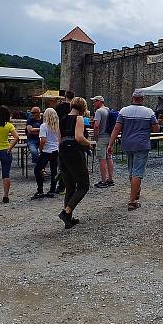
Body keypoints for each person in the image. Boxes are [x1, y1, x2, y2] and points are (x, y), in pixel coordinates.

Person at [107, 90, 160, 211]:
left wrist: (110, 144)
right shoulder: (149, 112)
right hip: (142, 145)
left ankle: (135, 192)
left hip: (127, 144)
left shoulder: (124, 111)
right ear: (143, 99)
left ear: (132, 98)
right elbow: (156, 128)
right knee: (137, 172)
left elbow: (116, 128)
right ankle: (132, 201)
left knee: (131, 169)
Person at [58, 97, 91, 228]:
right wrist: (89, 144)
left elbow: (59, 140)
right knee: (83, 186)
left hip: (62, 154)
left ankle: (68, 220)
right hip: (74, 154)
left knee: (70, 187)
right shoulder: (79, 118)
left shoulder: (62, 119)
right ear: (83, 107)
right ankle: (66, 213)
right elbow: (78, 137)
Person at [33, 107, 60, 198]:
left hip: (46, 150)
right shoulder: (57, 126)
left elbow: (43, 140)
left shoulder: (43, 126)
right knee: (53, 171)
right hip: (55, 150)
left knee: (37, 170)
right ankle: (52, 189)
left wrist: (40, 149)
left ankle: (40, 190)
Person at [91, 96, 115, 188]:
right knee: (109, 158)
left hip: (101, 137)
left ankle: (103, 180)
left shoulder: (99, 111)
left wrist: (96, 136)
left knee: (102, 159)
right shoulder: (108, 110)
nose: (93, 103)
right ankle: (110, 179)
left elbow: (96, 125)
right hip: (109, 137)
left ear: (100, 101)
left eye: (95, 101)